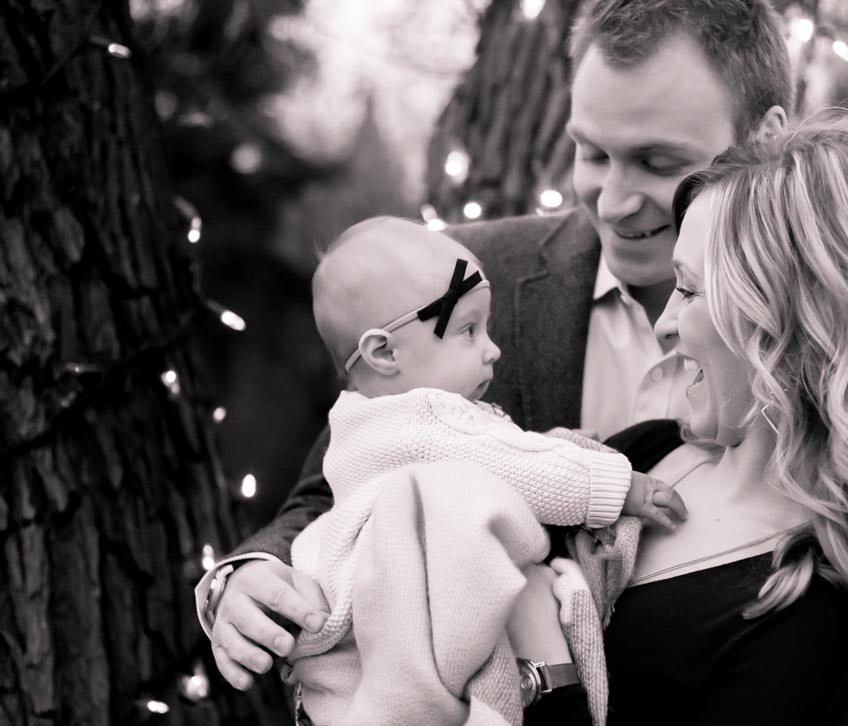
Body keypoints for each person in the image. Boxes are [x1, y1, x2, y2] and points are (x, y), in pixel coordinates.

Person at [195, 0, 793, 698]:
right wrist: (244, 579)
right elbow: (336, 492)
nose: (613, 202)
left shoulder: (829, 340)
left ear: (766, 138)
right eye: (592, 153)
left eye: (657, 162)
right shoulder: (459, 282)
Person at [283, 214, 685, 724]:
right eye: (468, 330)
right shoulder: (425, 417)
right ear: (383, 352)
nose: (492, 349)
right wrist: (618, 486)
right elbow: (515, 466)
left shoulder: (362, 422)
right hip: (423, 624)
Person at [592, 109, 848, 724]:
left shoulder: (809, 613)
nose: (664, 325)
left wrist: (546, 670)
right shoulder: (643, 453)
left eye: (688, 290)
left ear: (789, 323)